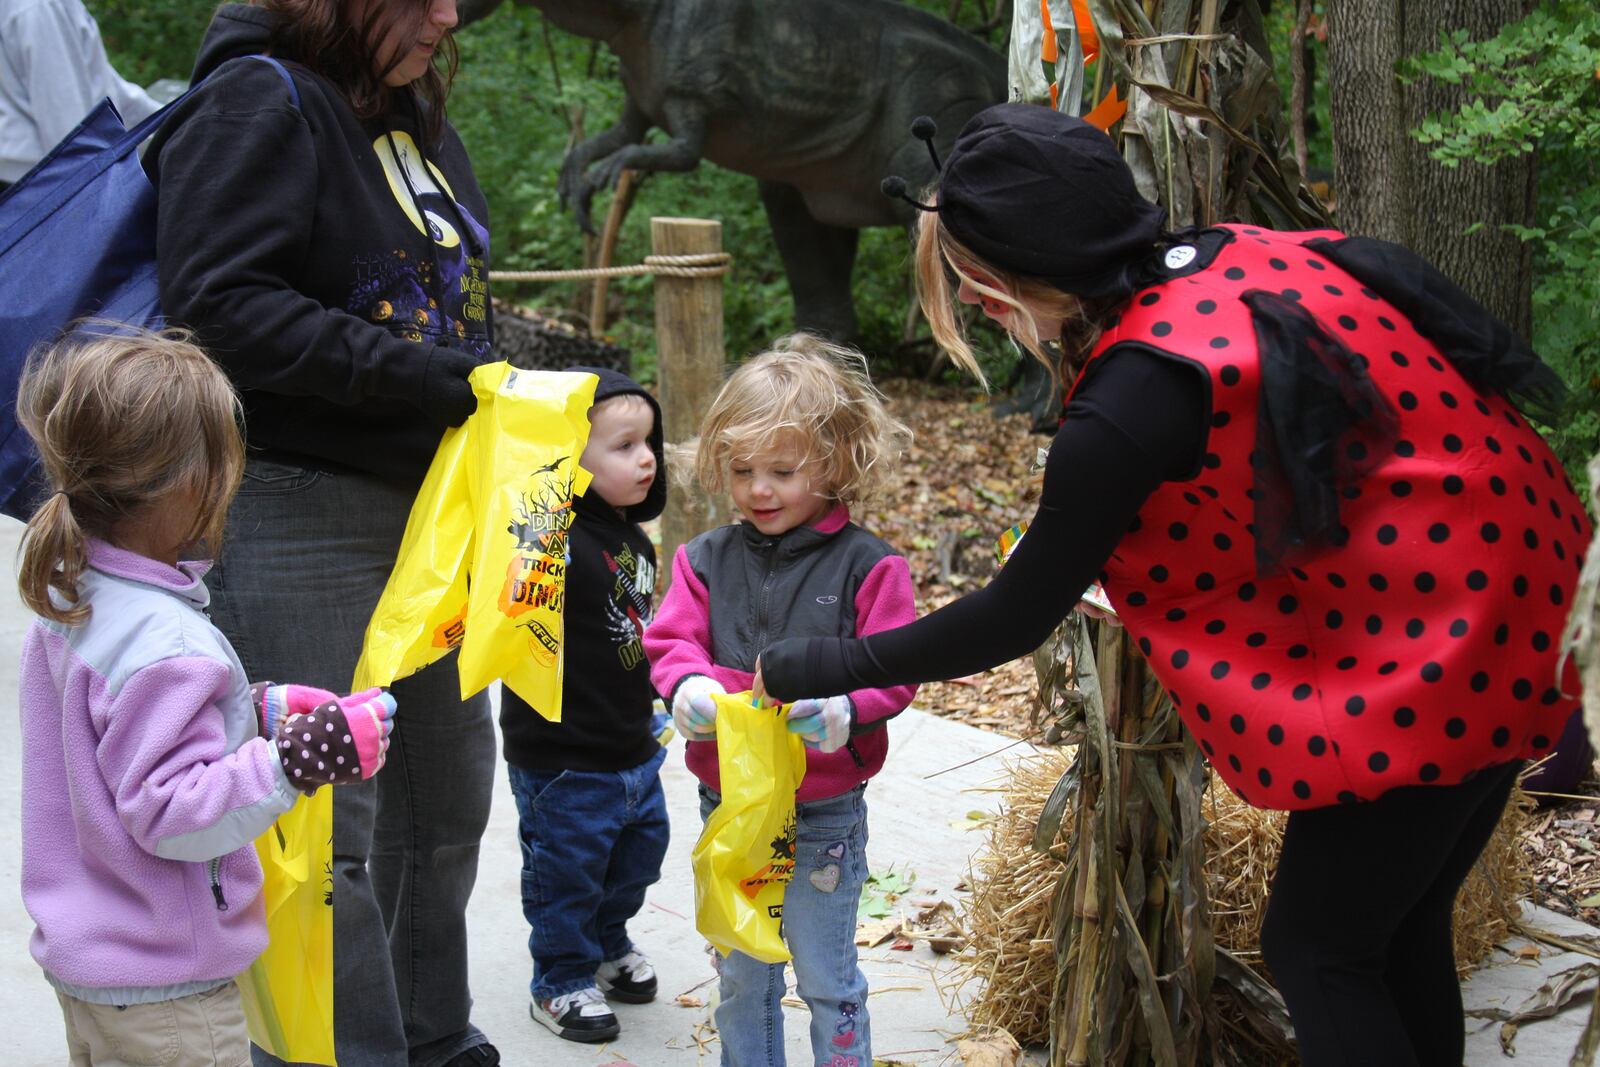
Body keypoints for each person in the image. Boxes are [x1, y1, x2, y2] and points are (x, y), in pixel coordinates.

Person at [757, 103, 1590, 1067]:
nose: (980, 308)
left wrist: (829, 661)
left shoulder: (1128, 396)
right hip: (1530, 593)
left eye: (974, 288)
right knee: (1392, 930)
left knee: (1316, 951)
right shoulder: (1241, 252)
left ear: (1005, 278)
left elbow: (1013, 614)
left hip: (1445, 648)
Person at [144, 1, 499, 1064]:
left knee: (442, 809)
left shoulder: (409, 116)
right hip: (300, 509)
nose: (450, 15)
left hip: (437, 520)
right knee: (327, 832)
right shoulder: (255, 100)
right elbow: (217, 307)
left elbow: (442, 312)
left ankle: (437, 1040)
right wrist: (436, 380)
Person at [14, 328, 396, 1067]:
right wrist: (296, 759)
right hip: (170, 991)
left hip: (92, 965)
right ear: (188, 482)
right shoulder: (169, 642)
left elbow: (110, 743)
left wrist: (253, 711)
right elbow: (171, 813)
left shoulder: (78, 594)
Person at [644, 335, 919, 1067]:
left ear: (834, 463)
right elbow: (671, 640)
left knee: (827, 972)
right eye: (741, 471)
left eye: (782, 471)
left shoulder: (872, 565)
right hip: (730, 797)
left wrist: (847, 708)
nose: (758, 489)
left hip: (824, 804)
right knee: (741, 972)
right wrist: (688, 686)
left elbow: (898, 666)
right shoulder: (703, 558)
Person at [501, 367, 671, 1044]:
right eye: (624, 445)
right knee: (565, 871)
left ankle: (607, 940)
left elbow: (639, 633)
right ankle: (561, 977)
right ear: (571, 457)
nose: (647, 457)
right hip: (563, 756)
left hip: (632, 744)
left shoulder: (636, 540)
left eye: (649, 441)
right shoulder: (548, 541)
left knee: (636, 857)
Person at [0, 0, 159, 189]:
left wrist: (179, 118)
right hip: (40, 189)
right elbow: (70, 132)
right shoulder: (42, 7)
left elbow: (106, 86)